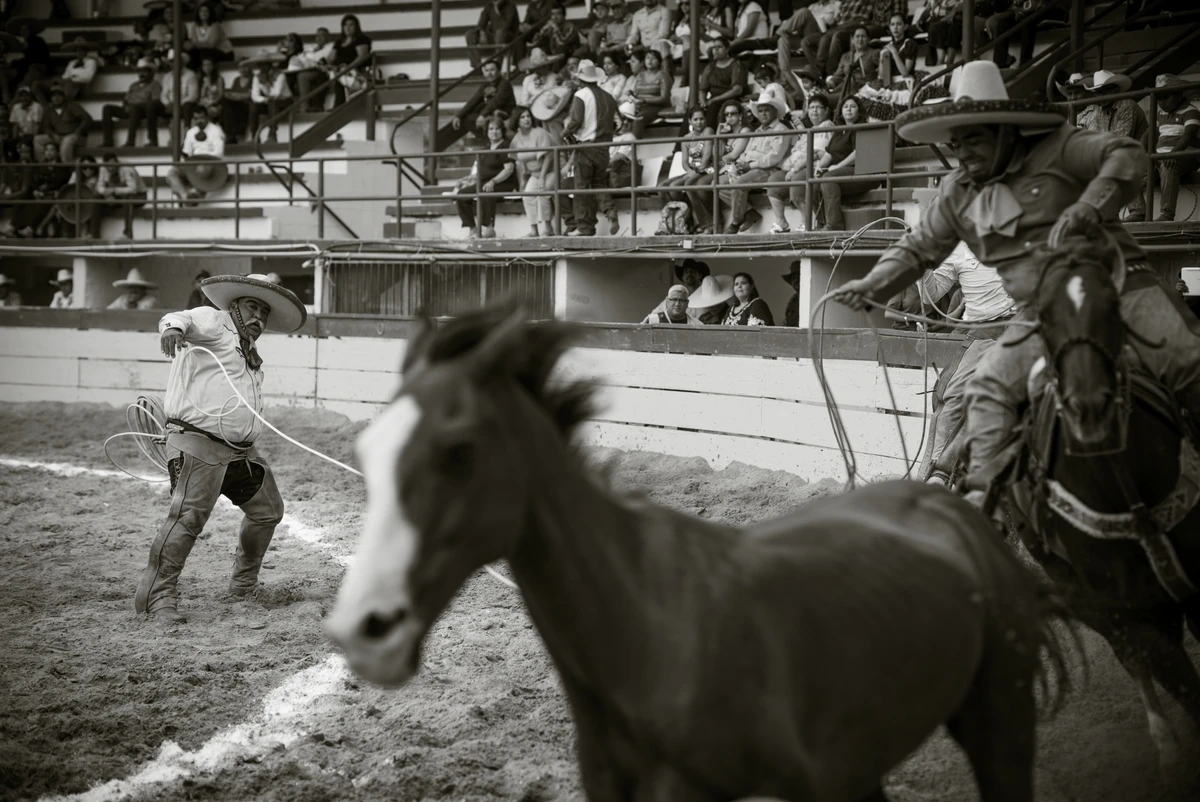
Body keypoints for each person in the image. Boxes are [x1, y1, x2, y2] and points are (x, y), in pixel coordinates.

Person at [830, 60, 1199, 510]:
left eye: (974, 138)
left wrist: (1089, 205)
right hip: (1039, 315)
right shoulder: (957, 191)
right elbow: (917, 248)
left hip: (1118, 285)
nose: (963, 151)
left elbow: (1126, 155)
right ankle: (987, 510)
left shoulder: (1059, 146)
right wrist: (873, 283)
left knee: (1186, 361)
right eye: (956, 141)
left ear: (1004, 129)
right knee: (987, 393)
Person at [135, 272, 307, 623]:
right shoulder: (213, 321)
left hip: (238, 452)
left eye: (264, 312)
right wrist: (172, 329)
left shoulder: (247, 349)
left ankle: (243, 586)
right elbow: (179, 318)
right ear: (235, 306)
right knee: (187, 519)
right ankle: (155, 596)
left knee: (268, 510)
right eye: (252, 307)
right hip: (199, 444)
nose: (259, 317)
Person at [911, 242, 1016, 484]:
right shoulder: (959, 251)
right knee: (950, 393)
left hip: (1025, 329)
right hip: (983, 333)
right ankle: (938, 474)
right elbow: (931, 296)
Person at [718, 91, 790, 234]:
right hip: (749, 168)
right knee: (719, 183)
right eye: (761, 111)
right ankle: (749, 212)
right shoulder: (757, 130)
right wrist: (738, 165)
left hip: (769, 170)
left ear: (774, 112)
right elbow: (746, 153)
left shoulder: (782, 129)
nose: (763, 114)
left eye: (767, 110)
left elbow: (774, 157)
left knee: (739, 184)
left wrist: (748, 166)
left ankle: (736, 222)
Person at [562, 59, 619, 237]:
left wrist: (565, 132)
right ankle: (610, 212)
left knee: (581, 189)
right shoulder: (609, 97)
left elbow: (576, 121)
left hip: (586, 148)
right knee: (599, 184)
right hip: (603, 149)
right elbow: (617, 123)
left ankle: (585, 228)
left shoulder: (581, 95)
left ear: (580, 78)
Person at [767, 92, 834, 233]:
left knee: (797, 181)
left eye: (818, 107)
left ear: (826, 110)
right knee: (774, 180)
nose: (814, 110)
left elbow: (816, 153)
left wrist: (794, 169)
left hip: (814, 167)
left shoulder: (827, 126)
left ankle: (806, 223)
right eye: (811, 107)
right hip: (796, 167)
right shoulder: (810, 130)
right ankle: (781, 222)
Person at [453, 115, 517, 238]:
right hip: (484, 182)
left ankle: (489, 229)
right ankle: (472, 229)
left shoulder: (505, 145)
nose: (494, 132)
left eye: (497, 129)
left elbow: (509, 169)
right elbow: (480, 171)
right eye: (491, 129)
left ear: (502, 131)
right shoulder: (485, 148)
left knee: (486, 191)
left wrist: (493, 181)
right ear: (487, 132)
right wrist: (468, 179)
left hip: (503, 182)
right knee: (461, 195)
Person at [437, 60, 515, 151]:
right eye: (487, 70)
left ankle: (488, 141)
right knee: (466, 117)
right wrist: (458, 116)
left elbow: (496, 102)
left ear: (499, 71)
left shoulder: (504, 84)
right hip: (491, 116)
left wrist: (482, 115)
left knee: (471, 118)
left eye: (492, 70)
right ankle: (486, 141)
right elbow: (474, 101)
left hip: (505, 115)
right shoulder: (485, 85)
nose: (489, 73)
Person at [1151, 73, 1199, 223]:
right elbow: (1154, 134)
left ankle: (1167, 213)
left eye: (1166, 97)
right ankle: (1138, 210)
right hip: (1162, 157)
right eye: (1159, 98)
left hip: (1185, 156)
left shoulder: (1191, 111)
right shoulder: (1161, 113)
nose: (1161, 102)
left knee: (1168, 167)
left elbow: (1189, 135)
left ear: (1179, 95)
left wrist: (1173, 153)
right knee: (1135, 169)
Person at [509, 106, 555, 237]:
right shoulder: (516, 139)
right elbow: (519, 161)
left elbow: (549, 157)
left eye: (528, 116)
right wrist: (523, 181)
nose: (526, 119)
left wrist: (541, 178)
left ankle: (548, 228)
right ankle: (534, 230)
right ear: (517, 121)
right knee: (527, 195)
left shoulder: (539, 132)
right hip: (534, 174)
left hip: (551, 171)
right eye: (522, 117)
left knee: (542, 192)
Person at [167, 107, 226, 204]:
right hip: (194, 162)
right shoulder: (191, 132)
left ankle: (195, 193)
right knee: (172, 172)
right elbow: (187, 152)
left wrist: (202, 159)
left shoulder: (216, 131)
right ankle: (185, 196)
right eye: (196, 118)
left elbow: (219, 153)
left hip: (211, 163)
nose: (199, 121)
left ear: (207, 117)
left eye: (201, 118)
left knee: (202, 170)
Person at [101, 59, 163, 148]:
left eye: (144, 71)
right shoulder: (134, 85)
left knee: (135, 108)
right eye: (139, 71)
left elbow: (155, 102)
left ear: (151, 73)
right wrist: (126, 106)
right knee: (107, 108)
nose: (141, 74)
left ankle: (130, 141)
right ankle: (107, 141)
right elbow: (126, 100)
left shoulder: (155, 85)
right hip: (130, 109)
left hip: (143, 111)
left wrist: (137, 105)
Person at [34, 84, 90, 164]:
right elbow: (46, 127)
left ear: (63, 96)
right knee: (37, 139)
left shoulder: (72, 106)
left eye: (59, 95)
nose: (56, 98)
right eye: (53, 96)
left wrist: (78, 131)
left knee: (67, 140)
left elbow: (87, 119)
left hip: (76, 137)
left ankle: (67, 168)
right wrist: (52, 134)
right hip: (58, 136)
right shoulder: (49, 110)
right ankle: (43, 165)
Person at [96, 153, 147, 239]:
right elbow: (99, 186)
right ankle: (94, 233)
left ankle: (128, 233)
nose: (110, 168)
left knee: (127, 199)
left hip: (138, 195)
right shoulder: (103, 168)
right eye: (107, 166)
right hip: (115, 195)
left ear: (116, 162)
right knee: (96, 198)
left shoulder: (127, 168)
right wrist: (106, 195)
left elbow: (132, 189)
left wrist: (114, 191)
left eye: (112, 165)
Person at [466, 0, 519, 72]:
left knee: (500, 33)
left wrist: (498, 12)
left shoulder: (511, 6)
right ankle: (477, 67)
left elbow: (507, 26)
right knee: (470, 34)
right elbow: (481, 24)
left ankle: (497, 66)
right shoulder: (490, 6)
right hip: (493, 35)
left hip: (509, 36)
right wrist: (481, 32)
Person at [781, 261, 801, 326]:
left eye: (799, 277)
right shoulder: (793, 299)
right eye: (793, 278)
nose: (796, 280)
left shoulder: (809, 299)